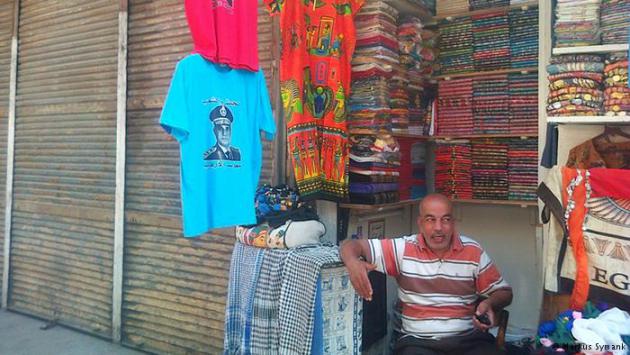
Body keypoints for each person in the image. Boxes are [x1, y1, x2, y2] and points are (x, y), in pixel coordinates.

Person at [340, 193, 513, 355]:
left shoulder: (472, 251)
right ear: (420, 223)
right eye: (430, 219)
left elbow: (505, 293)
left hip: (468, 341)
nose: (439, 228)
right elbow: (352, 245)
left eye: (445, 219)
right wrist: (352, 262)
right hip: (418, 344)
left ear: (453, 222)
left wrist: (490, 303)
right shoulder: (403, 249)